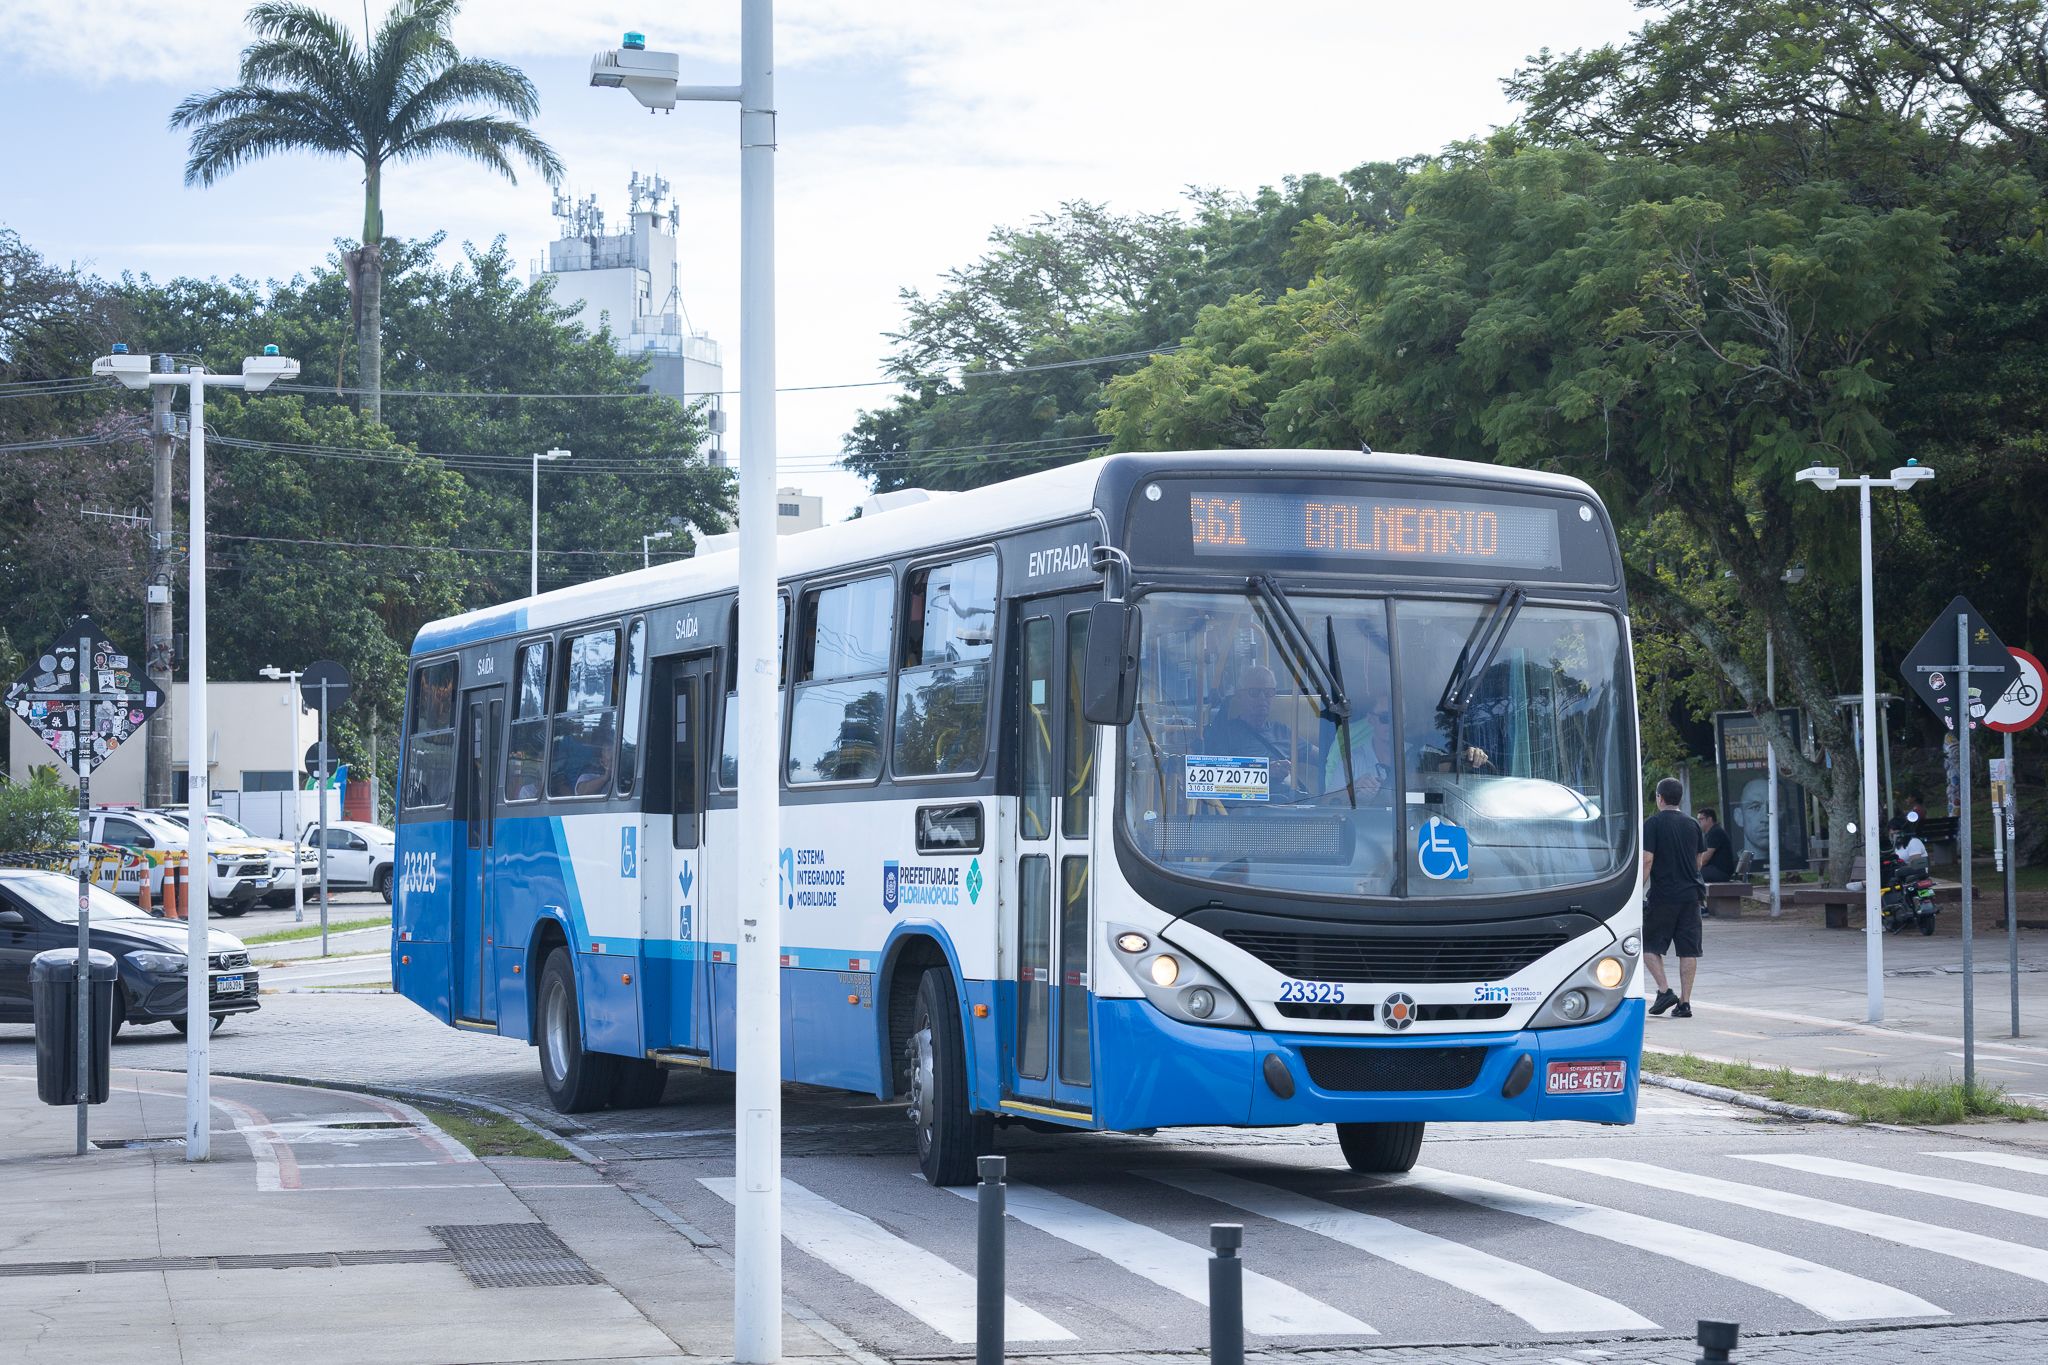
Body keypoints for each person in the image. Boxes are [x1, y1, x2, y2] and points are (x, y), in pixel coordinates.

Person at [1641, 776, 1705, 1018]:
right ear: (1680, 797)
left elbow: (1647, 861)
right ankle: (1685, 1004)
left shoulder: (1653, 824)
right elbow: (1699, 861)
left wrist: (1637, 891)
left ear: (1660, 798)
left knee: (1649, 946)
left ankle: (1664, 990)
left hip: (1664, 896)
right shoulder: (1693, 824)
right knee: (1688, 950)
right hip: (1691, 897)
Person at [1204, 664, 1306, 790]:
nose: (1262, 698)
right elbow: (1211, 775)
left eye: (1268, 692)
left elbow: (1323, 757)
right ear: (1239, 696)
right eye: (1254, 692)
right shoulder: (1224, 732)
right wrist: (1263, 771)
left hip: (1292, 801)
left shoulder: (1282, 731)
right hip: (1246, 801)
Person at [1696, 806, 1735, 915]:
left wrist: (1693, 867)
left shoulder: (1715, 832)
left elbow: (1705, 858)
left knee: (1693, 874)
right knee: (1693, 873)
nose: (1699, 822)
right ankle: (1700, 906)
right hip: (1716, 870)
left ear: (1709, 819)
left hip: (1721, 872)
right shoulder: (1712, 832)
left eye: (1701, 819)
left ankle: (1701, 908)